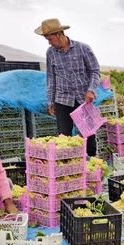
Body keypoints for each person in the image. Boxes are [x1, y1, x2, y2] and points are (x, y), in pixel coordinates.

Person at [35, 18, 100, 156]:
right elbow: (51, 78)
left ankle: (92, 165)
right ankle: (68, 167)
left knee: (88, 136)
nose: (49, 42)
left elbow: (94, 71)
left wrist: (91, 90)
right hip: (62, 100)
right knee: (63, 137)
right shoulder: (50, 53)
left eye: (50, 39)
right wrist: (51, 101)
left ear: (59, 34)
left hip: (83, 100)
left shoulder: (83, 48)